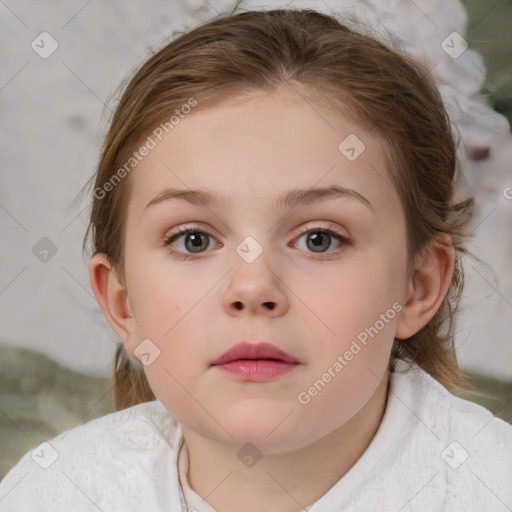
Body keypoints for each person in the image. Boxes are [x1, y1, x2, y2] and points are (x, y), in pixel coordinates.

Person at [1, 7, 511, 512]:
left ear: (418, 285)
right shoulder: (52, 494)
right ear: (123, 303)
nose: (252, 288)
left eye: (319, 239)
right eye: (194, 240)